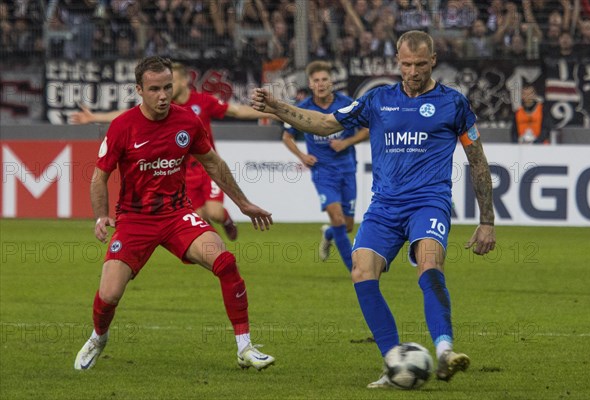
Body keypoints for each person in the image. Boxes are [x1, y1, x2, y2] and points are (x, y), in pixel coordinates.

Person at [252, 30, 496, 387]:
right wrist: (277, 108)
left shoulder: (453, 104)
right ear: (397, 62)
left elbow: (478, 161)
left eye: (420, 64)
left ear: (433, 62)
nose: (412, 71)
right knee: (361, 271)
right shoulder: (378, 99)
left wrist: (486, 220)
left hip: (428, 202)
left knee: (429, 264)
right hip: (384, 206)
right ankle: (395, 361)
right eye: (406, 64)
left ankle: (445, 352)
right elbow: (324, 122)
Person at [74, 56, 275, 372]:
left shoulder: (187, 121)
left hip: (177, 215)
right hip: (134, 220)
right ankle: (99, 337)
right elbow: (100, 176)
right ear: (140, 89)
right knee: (110, 293)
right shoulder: (122, 127)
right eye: (155, 89)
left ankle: (245, 346)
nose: (163, 95)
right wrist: (101, 216)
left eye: (167, 87)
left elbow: (213, 163)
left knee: (225, 262)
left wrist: (243, 203)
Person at [70, 62, 277, 241]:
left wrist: (275, 113)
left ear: (185, 80)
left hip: (207, 169)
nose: (165, 90)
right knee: (199, 216)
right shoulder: (164, 107)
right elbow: (130, 115)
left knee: (214, 212)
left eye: (172, 83)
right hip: (184, 172)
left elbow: (237, 111)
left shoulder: (203, 102)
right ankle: (211, 248)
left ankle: (227, 220)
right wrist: (95, 116)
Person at [281, 60, 369, 272]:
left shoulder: (347, 104)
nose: (320, 84)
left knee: (346, 225)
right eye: (316, 80)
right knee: (336, 216)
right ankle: (354, 270)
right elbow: (287, 136)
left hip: (347, 167)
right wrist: (302, 155)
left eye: (324, 80)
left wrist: (345, 143)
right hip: (322, 171)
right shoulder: (302, 109)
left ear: (332, 82)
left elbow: (366, 130)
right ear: (310, 84)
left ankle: (328, 234)